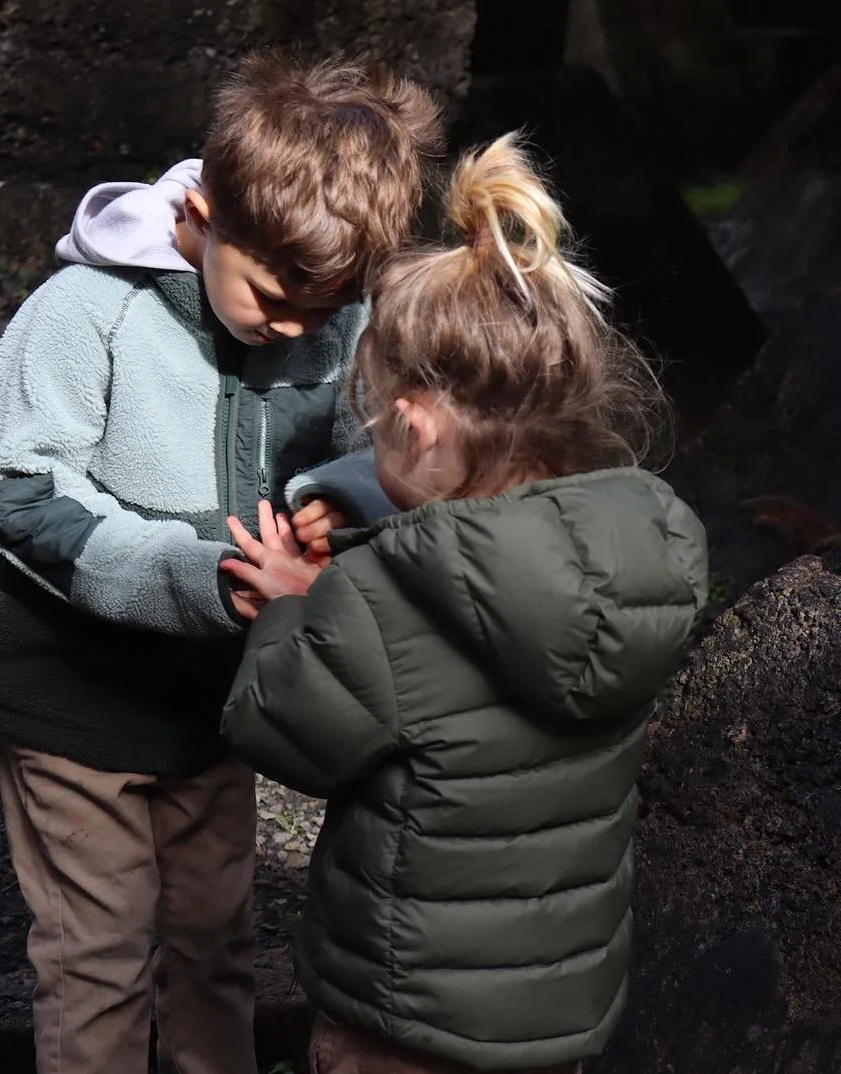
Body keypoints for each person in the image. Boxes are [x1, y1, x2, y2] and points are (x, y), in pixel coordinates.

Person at [0, 50, 441, 1074]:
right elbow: (18, 491)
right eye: (273, 297)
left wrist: (328, 510)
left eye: (327, 307)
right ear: (204, 212)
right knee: (98, 957)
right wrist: (195, 570)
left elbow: (356, 454)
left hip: (218, 709)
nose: (299, 328)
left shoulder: (332, 318)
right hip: (71, 701)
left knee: (217, 946)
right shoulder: (87, 311)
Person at [220, 133, 709, 1074]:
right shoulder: (647, 551)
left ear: (413, 418)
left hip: (404, 1014)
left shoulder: (386, 597)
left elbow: (278, 725)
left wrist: (293, 607)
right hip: (555, 1009)